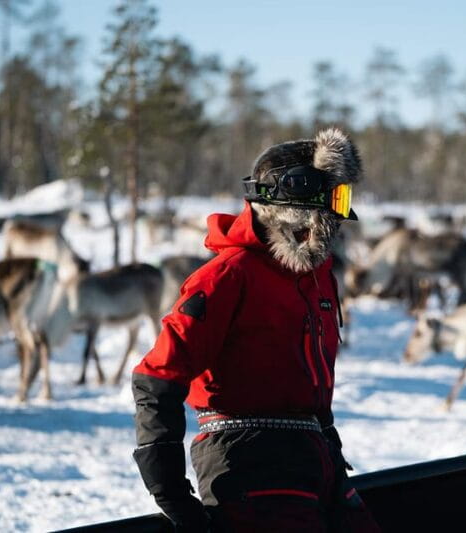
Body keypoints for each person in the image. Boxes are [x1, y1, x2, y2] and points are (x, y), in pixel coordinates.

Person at [132, 128, 381, 532]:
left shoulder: (316, 278)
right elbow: (156, 375)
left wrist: (328, 447)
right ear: (296, 204)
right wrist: (169, 489)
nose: (338, 219)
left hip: (313, 453)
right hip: (246, 460)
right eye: (333, 200)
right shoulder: (227, 277)